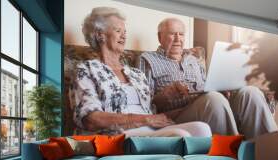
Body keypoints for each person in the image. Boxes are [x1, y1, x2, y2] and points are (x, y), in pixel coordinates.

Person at [73, 7, 211, 137]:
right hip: (117, 135)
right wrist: (144, 120)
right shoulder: (87, 70)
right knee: (181, 136)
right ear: (100, 35)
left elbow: (154, 110)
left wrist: (174, 99)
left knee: (201, 129)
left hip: (151, 131)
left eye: (125, 31)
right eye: (118, 31)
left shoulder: (136, 74)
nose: (124, 36)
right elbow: (90, 119)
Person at [138, 18, 278, 139]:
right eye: (172, 34)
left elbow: (207, 87)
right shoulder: (147, 60)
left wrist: (221, 89)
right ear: (159, 36)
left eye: (181, 34)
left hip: (210, 106)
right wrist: (164, 96)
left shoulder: (193, 60)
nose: (178, 39)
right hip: (177, 115)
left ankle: (267, 151)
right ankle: (231, 153)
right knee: (213, 99)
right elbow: (143, 104)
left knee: (250, 92)